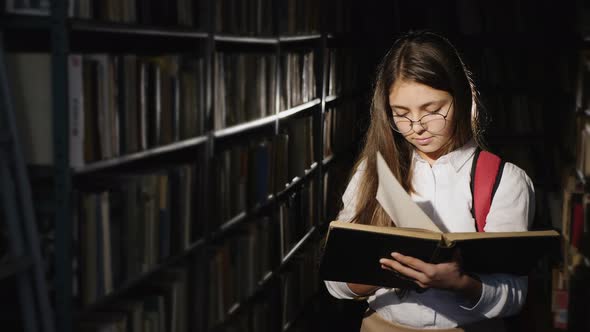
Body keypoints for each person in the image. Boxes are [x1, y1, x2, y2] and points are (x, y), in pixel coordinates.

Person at [323, 30, 535, 332]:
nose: (417, 127)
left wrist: (461, 284)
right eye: (401, 114)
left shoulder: (505, 180)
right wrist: (368, 277)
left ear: (462, 97)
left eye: (433, 110)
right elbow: (334, 280)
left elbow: (514, 295)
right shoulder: (371, 173)